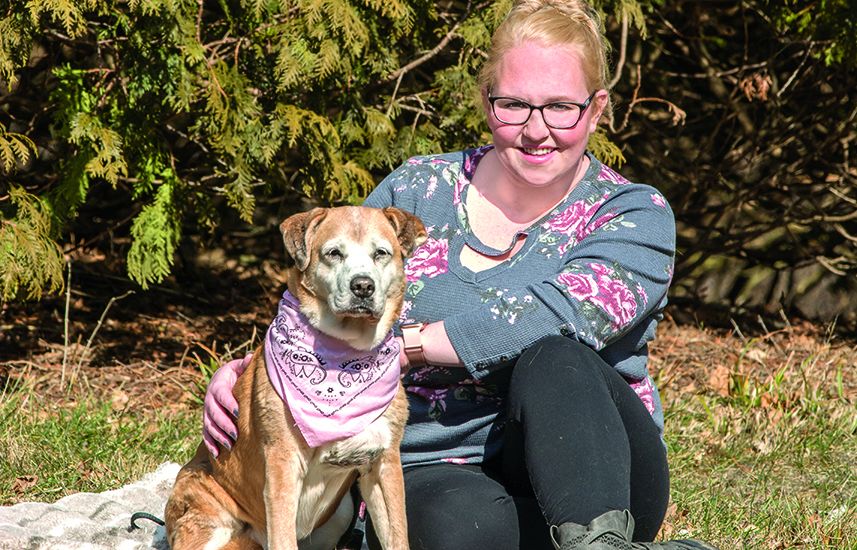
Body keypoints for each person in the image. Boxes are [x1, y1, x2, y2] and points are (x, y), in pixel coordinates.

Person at [201, 1, 717, 549]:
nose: (536, 130)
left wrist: (412, 345)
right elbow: (327, 286)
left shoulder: (633, 213)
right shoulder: (416, 188)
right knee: (448, 530)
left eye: (561, 107)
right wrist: (256, 376)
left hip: (599, 468)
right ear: (487, 102)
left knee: (555, 354)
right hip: (439, 463)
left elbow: (558, 315)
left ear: (596, 109)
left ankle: (602, 543)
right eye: (513, 105)